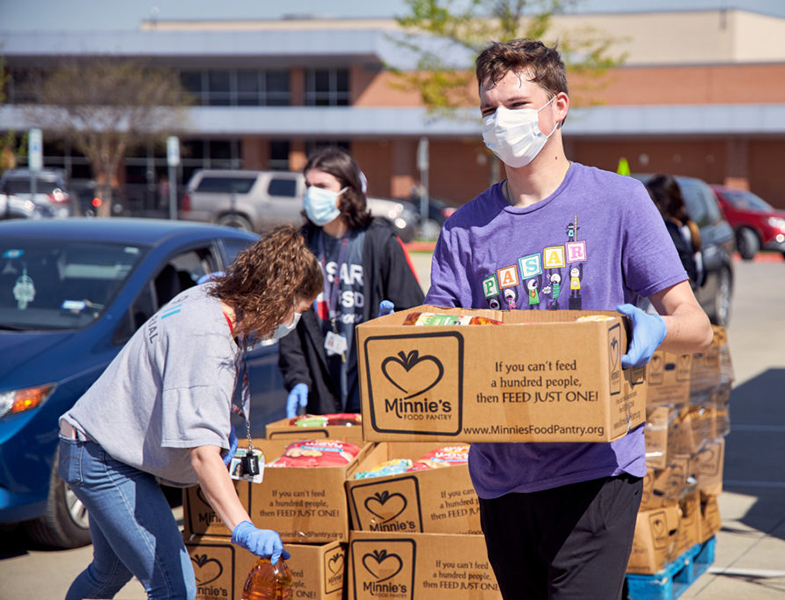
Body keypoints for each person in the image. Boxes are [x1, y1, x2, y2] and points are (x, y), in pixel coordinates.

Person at [424, 39, 713, 599]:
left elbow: (695, 325)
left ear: (558, 107)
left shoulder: (620, 201)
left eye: (515, 104)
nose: (499, 120)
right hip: (500, 476)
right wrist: (408, 331)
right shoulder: (464, 227)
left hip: (595, 470)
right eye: (488, 109)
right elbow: (444, 333)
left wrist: (653, 329)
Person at [58, 225, 324, 600]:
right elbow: (202, 457)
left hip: (102, 444)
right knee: (174, 587)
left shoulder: (211, 294)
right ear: (276, 298)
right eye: (296, 313)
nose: (291, 325)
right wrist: (244, 528)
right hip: (103, 457)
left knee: (109, 571)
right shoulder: (207, 339)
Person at [278, 147, 424, 417]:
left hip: (374, 383)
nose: (312, 193)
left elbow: (413, 311)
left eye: (322, 186)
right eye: (308, 185)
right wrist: (297, 377)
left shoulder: (380, 243)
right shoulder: (301, 245)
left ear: (348, 191)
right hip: (320, 384)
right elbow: (288, 324)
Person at [645, 173, 704, 287]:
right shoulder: (685, 226)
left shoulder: (669, 229)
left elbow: (688, 269)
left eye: (649, 199)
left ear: (663, 202)